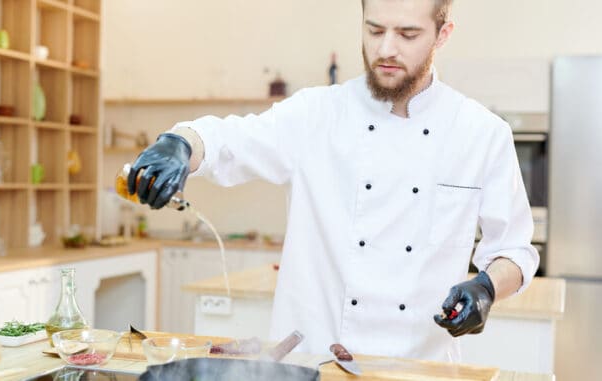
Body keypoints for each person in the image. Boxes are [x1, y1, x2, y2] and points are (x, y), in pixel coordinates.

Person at [127, 0, 539, 362]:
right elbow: (230, 140)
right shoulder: (316, 114)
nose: (386, 49)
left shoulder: (481, 133)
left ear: (442, 34)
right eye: (374, 30)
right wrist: (181, 142)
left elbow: (515, 251)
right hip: (315, 364)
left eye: (408, 34)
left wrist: (486, 288)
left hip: (418, 366)